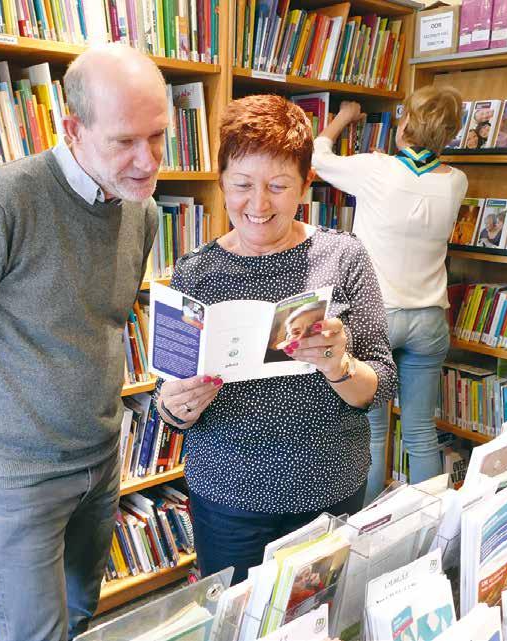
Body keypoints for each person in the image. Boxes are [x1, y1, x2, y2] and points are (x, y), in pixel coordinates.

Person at [0, 45, 168, 641]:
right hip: (20, 480)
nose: (147, 160)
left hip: (102, 461)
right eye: (125, 141)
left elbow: (108, 318)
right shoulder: (3, 203)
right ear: (73, 129)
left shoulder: (142, 212)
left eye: (157, 136)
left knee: (79, 616)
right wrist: (7, 418)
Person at [155, 94, 397, 584]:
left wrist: (338, 364)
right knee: (235, 622)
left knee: (323, 624)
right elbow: (169, 407)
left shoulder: (343, 257)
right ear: (221, 182)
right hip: (228, 497)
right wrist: (177, 404)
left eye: (278, 186)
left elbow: (382, 384)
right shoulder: (195, 272)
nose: (258, 204)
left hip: (329, 489)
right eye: (242, 185)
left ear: (306, 184)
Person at [312, 85, 469, 505]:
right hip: (430, 320)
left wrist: (344, 116)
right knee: (419, 430)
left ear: (403, 128)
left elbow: (317, 157)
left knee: (373, 428)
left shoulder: (375, 168)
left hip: (377, 315)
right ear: (450, 134)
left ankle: (365, 523)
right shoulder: (457, 182)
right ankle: (426, 530)